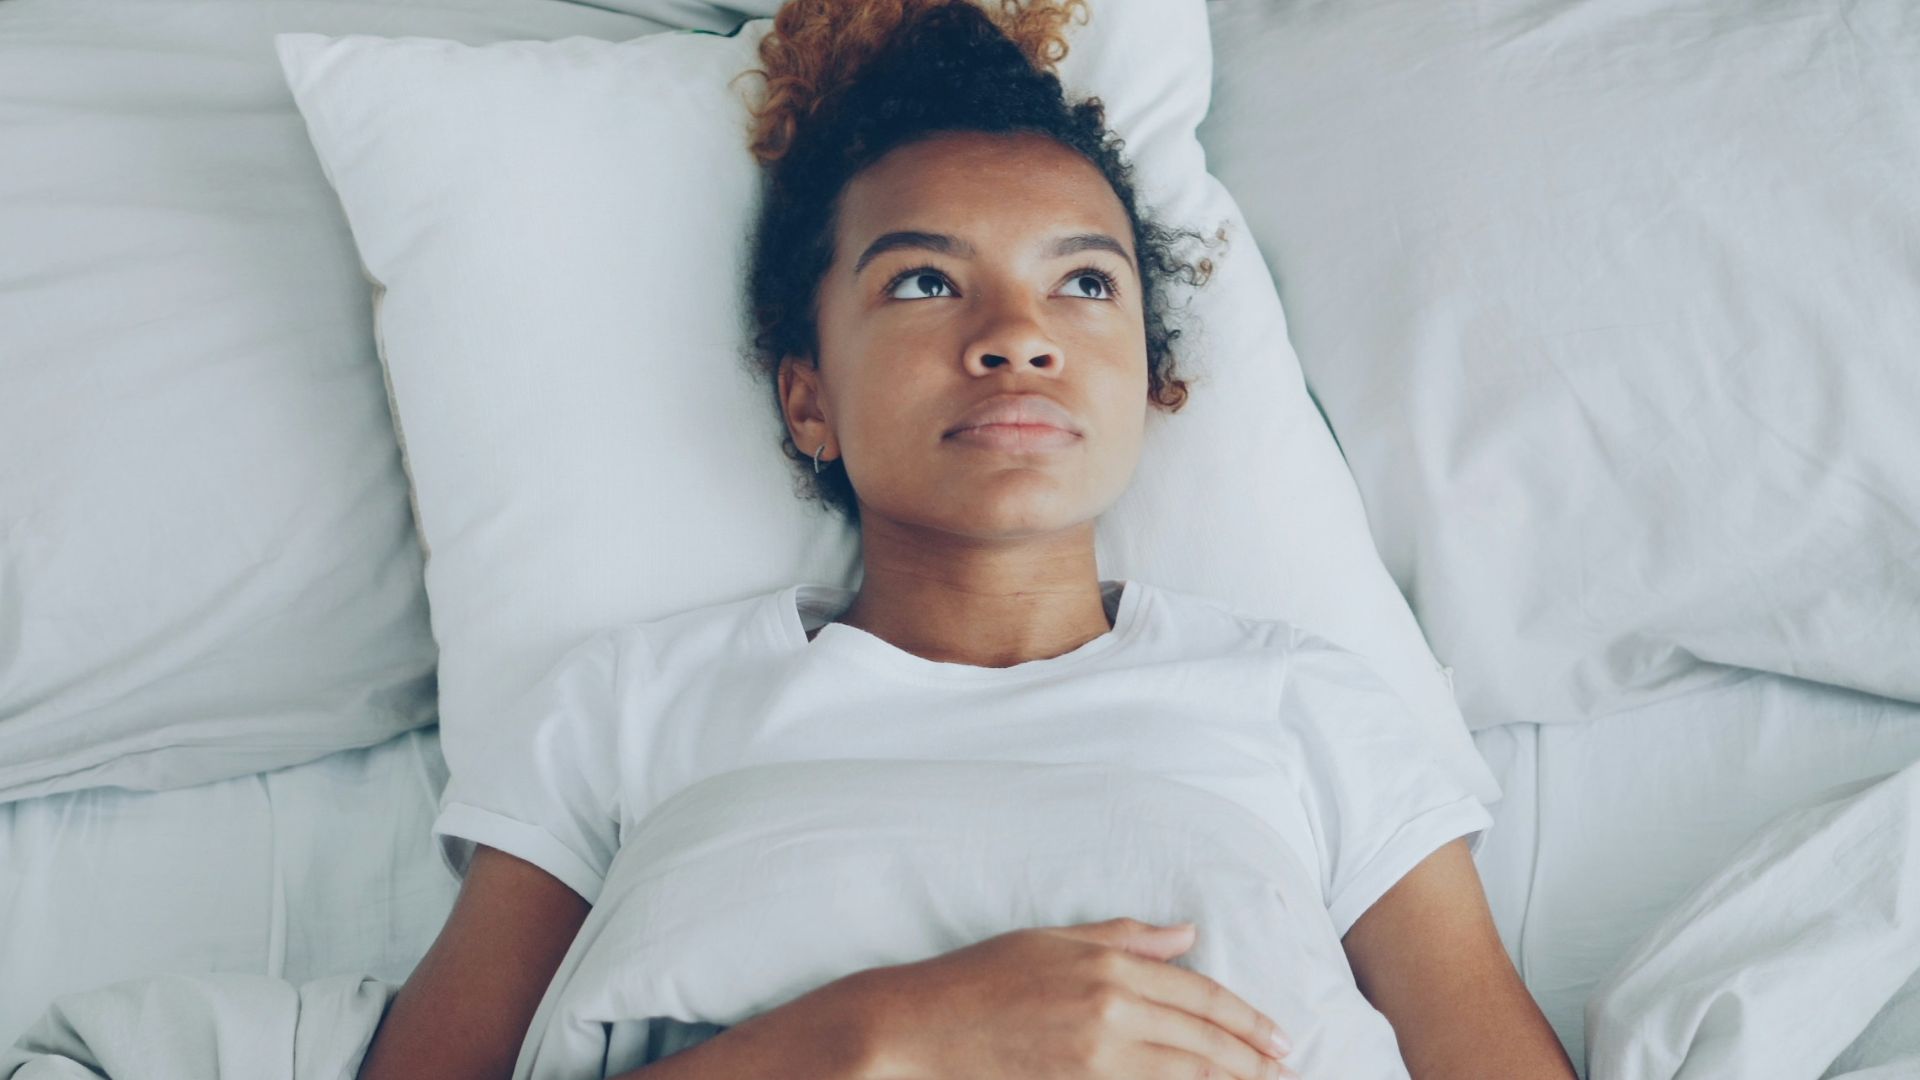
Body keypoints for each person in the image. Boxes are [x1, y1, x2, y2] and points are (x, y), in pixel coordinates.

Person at [355, 2, 1578, 1078]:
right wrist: (872, 1037)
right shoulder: (625, 709)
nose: (1017, 336)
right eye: (925, 283)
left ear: (1149, 382)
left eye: (1085, 285)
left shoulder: (1305, 706)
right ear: (809, 400)